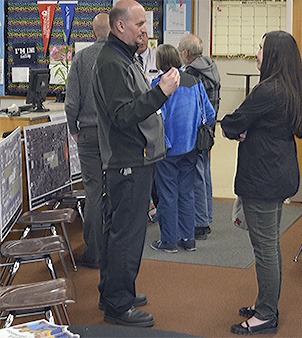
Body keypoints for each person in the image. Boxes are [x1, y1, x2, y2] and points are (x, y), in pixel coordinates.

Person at [92, 0, 180, 327]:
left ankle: (114, 290)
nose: (145, 30)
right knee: (127, 235)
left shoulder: (123, 58)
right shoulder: (112, 63)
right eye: (140, 24)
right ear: (120, 27)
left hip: (134, 159)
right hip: (128, 161)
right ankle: (118, 304)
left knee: (121, 231)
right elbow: (123, 115)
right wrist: (161, 93)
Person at [221, 30, 302, 335]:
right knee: (269, 244)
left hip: (263, 176)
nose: (256, 52)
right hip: (278, 172)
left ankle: (267, 314)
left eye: (260, 48)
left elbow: (232, 122)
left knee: (265, 248)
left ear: (271, 54)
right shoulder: (292, 86)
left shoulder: (268, 90)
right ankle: (265, 304)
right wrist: (248, 127)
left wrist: (244, 129)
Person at [150, 44, 215, 253]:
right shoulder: (195, 82)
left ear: (159, 62)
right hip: (192, 148)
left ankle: (169, 241)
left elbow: (153, 118)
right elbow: (210, 114)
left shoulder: (157, 84)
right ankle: (188, 239)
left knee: (167, 194)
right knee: (187, 193)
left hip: (167, 149)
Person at [64, 13, 109, 270]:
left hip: (89, 134)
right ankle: (113, 249)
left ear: (93, 34)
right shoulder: (119, 57)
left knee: (92, 192)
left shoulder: (81, 58)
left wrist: (74, 129)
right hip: (113, 135)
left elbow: (71, 103)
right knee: (113, 191)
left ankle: (93, 254)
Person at [178, 33, 221, 241]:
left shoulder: (193, 73)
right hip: (209, 128)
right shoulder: (211, 66)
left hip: (196, 130)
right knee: (205, 172)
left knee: (196, 175)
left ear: (186, 53)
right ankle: (207, 217)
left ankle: (200, 223)